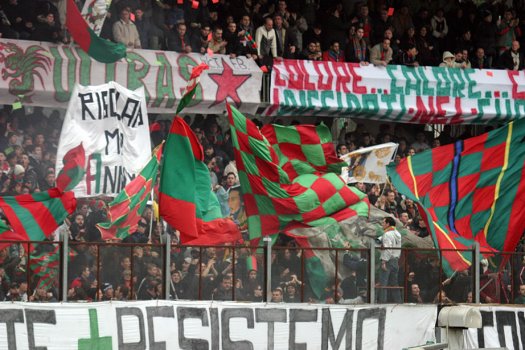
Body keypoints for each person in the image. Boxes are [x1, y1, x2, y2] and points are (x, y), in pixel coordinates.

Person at [378, 217, 402, 303]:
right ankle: (398, 302)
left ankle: (382, 303)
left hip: (388, 260)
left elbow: (388, 249)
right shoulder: (398, 233)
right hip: (395, 260)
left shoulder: (387, 234)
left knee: (383, 283)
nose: (382, 224)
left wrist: (384, 261)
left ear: (388, 224)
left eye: (383, 222)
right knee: (394, 283)